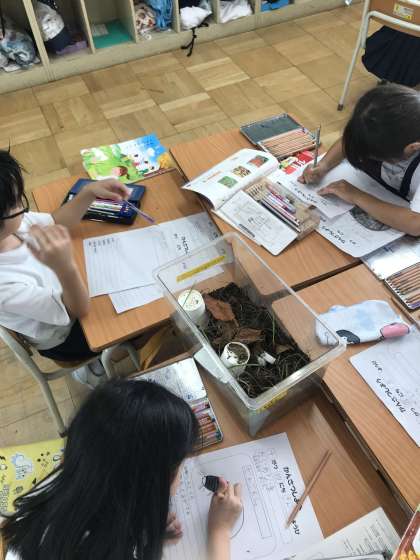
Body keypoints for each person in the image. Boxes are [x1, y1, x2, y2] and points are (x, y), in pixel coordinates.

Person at [1, 379, 242, 560]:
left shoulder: (55, 494)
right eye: (179, 468)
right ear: (147, 490)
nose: (181, 476)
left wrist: (143, 530)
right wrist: (219, 531)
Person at [0, 149, 130, 386]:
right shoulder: (4, 285)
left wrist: (89, 193)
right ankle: (92, 368)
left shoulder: (13, 227)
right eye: (17, 201)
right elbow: (77, 309)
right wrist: (65, 268)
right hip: (63, 337)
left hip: (66, 295)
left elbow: (56, 221)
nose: (22, 207)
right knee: (135, 322)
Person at [299, 84, 420, 236]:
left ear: (413, 147)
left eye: (375, 156)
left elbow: (416, 224)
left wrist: (356, 196)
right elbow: (354, 139)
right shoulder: (401, 110)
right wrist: (324, 164)